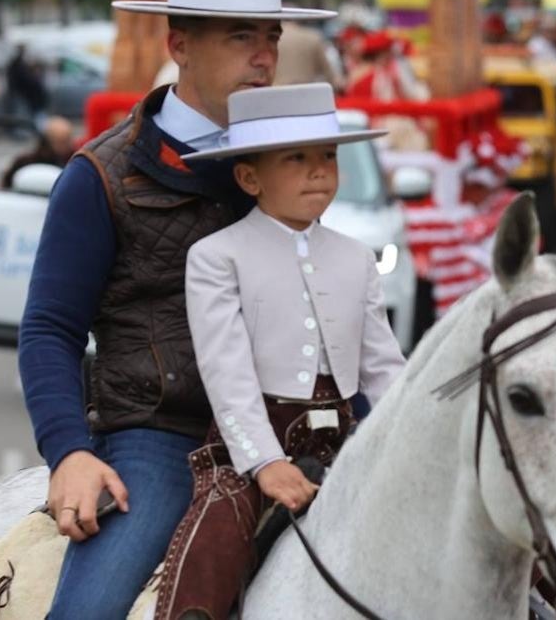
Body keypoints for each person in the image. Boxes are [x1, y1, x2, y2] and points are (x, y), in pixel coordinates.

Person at [17, 0, 334, 620]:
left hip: (292, 428)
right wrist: (69, 453)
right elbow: (49, 329)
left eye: (271, 37)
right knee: (88, 613)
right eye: (241, 36)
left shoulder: (292, 164)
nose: (263, 56)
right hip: (161, 440)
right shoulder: (100, 175)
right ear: (180, 45)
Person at [152, 82, 405, 619]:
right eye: (297, 158)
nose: (319, 170)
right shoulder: (217, 257)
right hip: (247, 455)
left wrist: (413, 432)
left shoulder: (357, 258)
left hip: (345, 444)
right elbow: (226, 370)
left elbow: (384, 369)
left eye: (328, 156)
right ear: (249, 178)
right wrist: (265, 462)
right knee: (210, 554)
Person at [0, 116, 77, 190]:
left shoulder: (75, 162)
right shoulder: (25, 162)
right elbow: (3, 189)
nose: (69, 145)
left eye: (69, 139)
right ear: (48, 142)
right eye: (62, 142)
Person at [275, 17, 342, 89]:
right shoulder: (313, 38)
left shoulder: (274, 38)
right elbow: (329, 73)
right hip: (306, 92)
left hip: (277, 91)